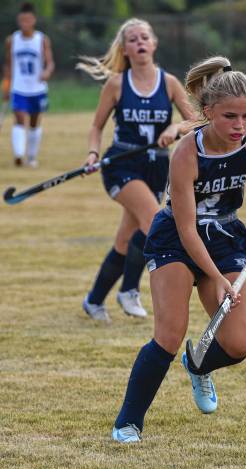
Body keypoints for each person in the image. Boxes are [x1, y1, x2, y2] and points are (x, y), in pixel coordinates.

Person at [111, 56, 246, 442]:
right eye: (230, 117)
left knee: (237, 345)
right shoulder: (187, 153)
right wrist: (219, 279)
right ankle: (128, 422)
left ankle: (197, 363)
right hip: (177, 239)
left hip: (225, 236)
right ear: (208, 112)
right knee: (170, 333)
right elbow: (188, 230)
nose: (240, 126)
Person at [76, 18, 195, 322]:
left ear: (154, 44)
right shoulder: (117, 84)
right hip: (122, 164)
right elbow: (96, 126)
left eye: (145, 37)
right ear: (125, 49)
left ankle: (93, 300)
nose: (140, 42)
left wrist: (174, 127)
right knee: (155, 221)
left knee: (126, 240)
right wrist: (92, 153)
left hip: (157, 167)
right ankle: (129, 290)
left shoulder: (168, 83)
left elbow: (193, 121)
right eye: (132, 39)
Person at [3, 2, 54, 168]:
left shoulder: (42, 40)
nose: (25, 24)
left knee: (34, 122)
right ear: (19, 21)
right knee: (18, 118)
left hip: (37, 88)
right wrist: (6, 85)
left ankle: (31, 157)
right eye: (22, 20)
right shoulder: (12, 40)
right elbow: (9, 65)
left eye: (28, 20)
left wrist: (46, 72)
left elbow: (50, 63)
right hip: (19, 87)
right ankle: (18, 155)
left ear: (34, 20)